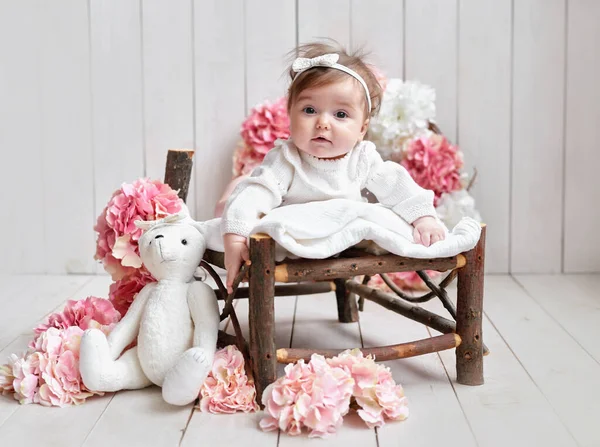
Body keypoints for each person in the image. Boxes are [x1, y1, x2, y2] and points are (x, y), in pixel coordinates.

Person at [221, 42, 445, 293]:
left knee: (381, 215)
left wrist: (424, 218)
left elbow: (397, 186)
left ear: (362, 129)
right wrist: (236, 236)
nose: (323, 123)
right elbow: (256, 194)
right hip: (299, 235)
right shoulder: (286, 159)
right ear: (289, 115)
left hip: (342, 234)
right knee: (245, 189)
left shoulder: (362, 158)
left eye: (340, 114)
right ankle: (230, 192)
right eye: (309, 110)